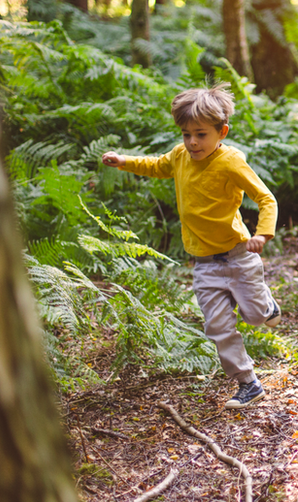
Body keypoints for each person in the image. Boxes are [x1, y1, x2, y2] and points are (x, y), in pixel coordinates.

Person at [101, 84, 280, 410]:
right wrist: (124, 161)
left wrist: (263, 235)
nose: (192, 142)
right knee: (217, 327)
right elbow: (157, 166)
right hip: (204, 263)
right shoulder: (181, 156)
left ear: (221, 131)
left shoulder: (230, 163)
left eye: (200, 134)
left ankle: (266, 307)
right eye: (186, 134)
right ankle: (248, 383)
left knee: (255, 318)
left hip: (239, 256)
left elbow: (266, 199)